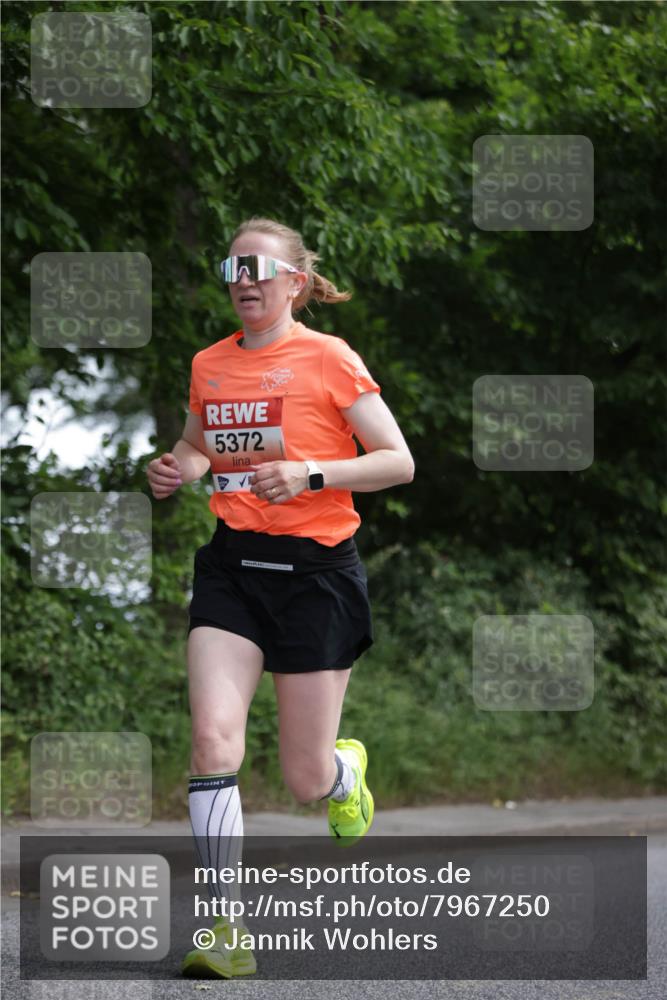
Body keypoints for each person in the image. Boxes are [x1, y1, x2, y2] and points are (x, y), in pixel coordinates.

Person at [146, 217, 415, 979]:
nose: (244, 280)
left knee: (301, 779)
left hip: (316, 577)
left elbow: (398, 462)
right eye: (234, 267)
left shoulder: (328, 358)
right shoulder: (210, 364)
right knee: (212, 743)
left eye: (259, 267)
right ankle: (224, 931)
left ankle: (342, 774)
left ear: (294, 281)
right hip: (232, 569)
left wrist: (311, 474)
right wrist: (177, 469)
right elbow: (199, 445)